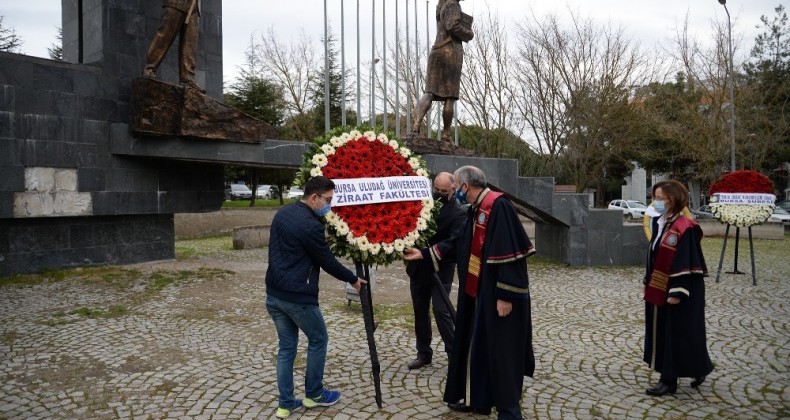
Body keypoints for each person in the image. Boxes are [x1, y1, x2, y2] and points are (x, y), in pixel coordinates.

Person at [404, 165, 535, 419]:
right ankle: (480, 400)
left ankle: (509, 411)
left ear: (464, 186)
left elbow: (512, 255)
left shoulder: (499, 206)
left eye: (455, 187)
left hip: (498, 295)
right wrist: (424, 253)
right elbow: (457, 243)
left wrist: (506, 295)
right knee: (478, 347)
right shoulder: (475, 210)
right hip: (478, 293)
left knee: (501, 352)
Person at [265, 176, 367, 419]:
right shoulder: (311, 225)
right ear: (314, 198)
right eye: (328, 200)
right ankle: (314, 394)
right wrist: (352, 278)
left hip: (274, 294)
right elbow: (326, 260)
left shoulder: (282, 213)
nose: (329, 206)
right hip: (298, 297)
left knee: (287, 348)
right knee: (319, 339)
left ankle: (286, 404)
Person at [643, 180, 714, 396]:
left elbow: (688, 260)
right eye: (654, 197)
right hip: (661, 284)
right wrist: (647, 280)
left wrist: (678, 290)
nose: (656, 202)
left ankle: (668, 381)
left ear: (673, 199)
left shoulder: (686, 227)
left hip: (681, 289)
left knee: (678, 333)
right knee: (670, 332)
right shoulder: (660, 222)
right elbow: (655, 254)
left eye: (661, 198)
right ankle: (698, 368)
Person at [405, 172, 467, 370]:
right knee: (420, 311)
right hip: (418, 269)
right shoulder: (423, 205)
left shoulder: (459, 213)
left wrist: (425, 253)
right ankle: (424, 353)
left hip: (441, 268)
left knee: (442, 311)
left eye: (443, 191)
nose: (439, 194)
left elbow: (453, 243)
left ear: (452, 190)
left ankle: (454, 354)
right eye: (436, 190)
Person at [412, 0, 474, 142]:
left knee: (430, 92)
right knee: (450, 96)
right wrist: (469, 33)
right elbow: (452, 26)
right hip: (450, 52)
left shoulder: (442, 5)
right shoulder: (453, 4)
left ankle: (416, 124)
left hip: (437, 50)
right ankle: (446, 134)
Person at [142, 0, 204, 92]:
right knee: (165, 34)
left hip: (194, 6)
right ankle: (149, 68)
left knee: (190, 43)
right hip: (176, 2)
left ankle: (188, 78)